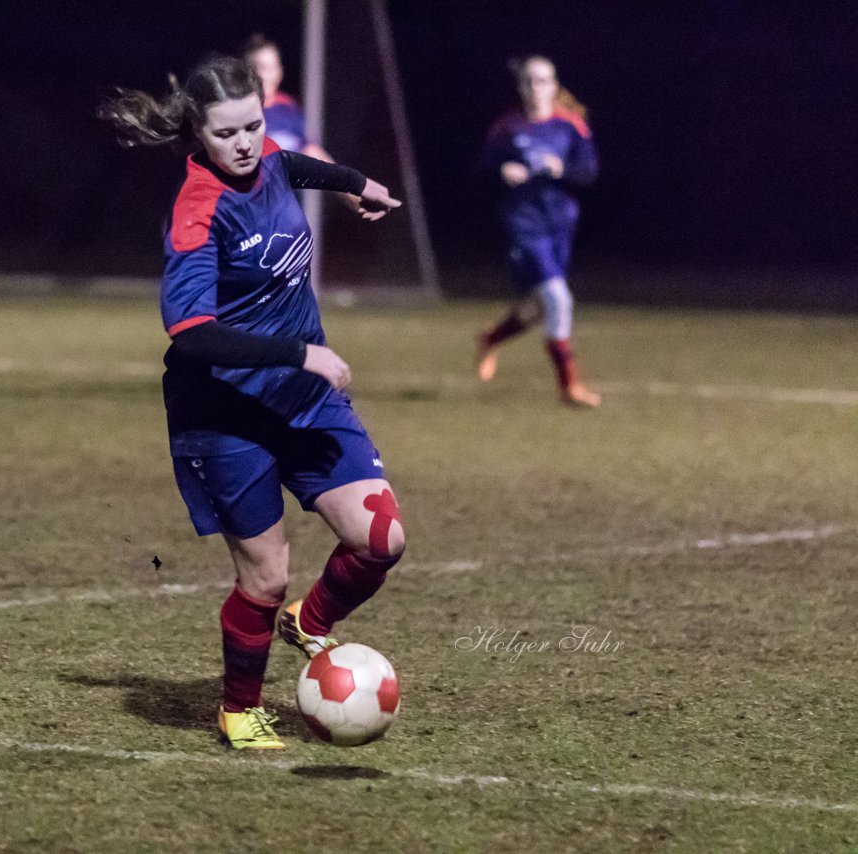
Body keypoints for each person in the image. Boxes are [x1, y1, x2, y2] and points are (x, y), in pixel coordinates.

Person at [99, 55, 406, 749]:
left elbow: (290, 164)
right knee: (264, 579)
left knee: (380, 538)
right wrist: (300, 353)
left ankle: (312, 622)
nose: (243, 143)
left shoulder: (263, 153)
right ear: (198, 135)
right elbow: (192, 332)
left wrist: (356, 184)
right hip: (224, 411)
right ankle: (239, 710)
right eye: (226, 133)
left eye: (252, 125)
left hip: (301, 396)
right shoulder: (196, 212)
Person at [477, 56, 600, 407]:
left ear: (554, 84)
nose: (535, 87)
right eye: (529, 81)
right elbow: (483, 166)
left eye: (542, 81)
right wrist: (503, 169)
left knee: (539, 307)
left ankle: (491, 338)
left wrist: (562, 168)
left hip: (560, 222)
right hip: (523, 222)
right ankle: (570, 387)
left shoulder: (570, 125)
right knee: (559, 300)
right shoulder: (508, 127)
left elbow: (588, 171)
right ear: (521, 86)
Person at [243, 34, 331, 161]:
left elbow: (309, 148)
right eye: (263, 68)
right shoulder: (242, 113)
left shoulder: (287, 105)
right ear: (249, 72)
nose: (270, 76)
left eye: (274, 67)